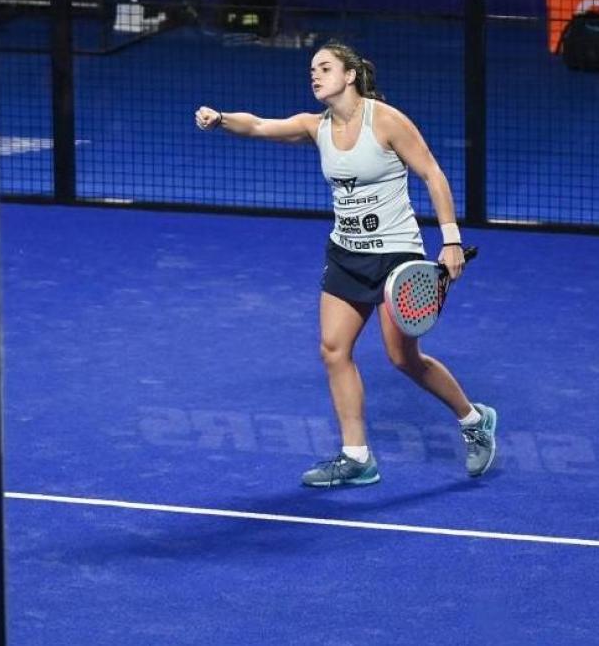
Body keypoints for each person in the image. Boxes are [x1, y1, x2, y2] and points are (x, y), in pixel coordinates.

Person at [194, 41, 497, 487]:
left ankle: (474, 420)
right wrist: (220, 119)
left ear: (350, 75)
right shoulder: (314, 126)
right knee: (334, 350)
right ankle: (357, 457)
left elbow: (432, 172)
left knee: (403, 358)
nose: (314, 75)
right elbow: (258, 125)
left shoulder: (386, 120)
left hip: (396, 253)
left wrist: (451, 240)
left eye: (324, 67)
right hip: (346, 253)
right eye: (311, 70)